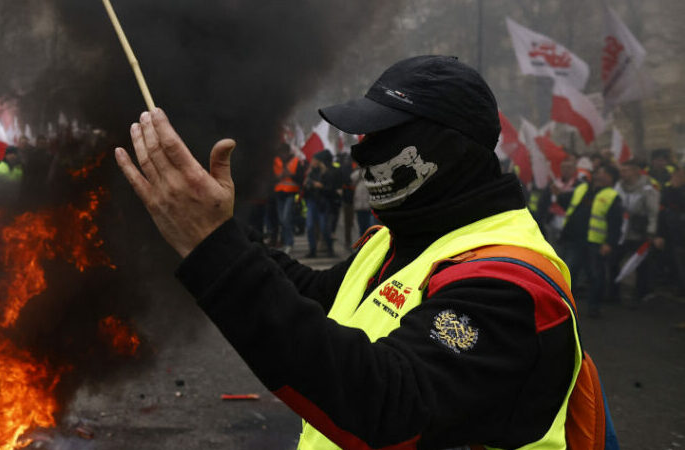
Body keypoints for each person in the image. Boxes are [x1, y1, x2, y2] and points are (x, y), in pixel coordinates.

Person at [114, 56, 592, 448]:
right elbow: (314, 296)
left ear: (445, 148)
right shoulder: (393, 239)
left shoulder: (512, 285)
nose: (360, 154)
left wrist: (215, 247)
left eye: (382, 136)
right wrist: (214, 231)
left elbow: (388, 406)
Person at [559, 165, 623, 317]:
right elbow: (567, 203)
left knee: (595, 275)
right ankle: (566, 305)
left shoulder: (612, 196)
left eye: (605, 173)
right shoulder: (582, 188)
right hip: (574, 239)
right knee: (569, 272)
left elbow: (615, 223)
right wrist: (559, 194)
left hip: (595, 243)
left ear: (612, 178)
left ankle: (594, 306)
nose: (600, 176)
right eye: (599, 172)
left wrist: (609, 243)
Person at [614, 158, 661, 303]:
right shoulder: (618, 186)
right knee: (614, 260)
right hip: (622, 232)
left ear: (635, 171)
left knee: (641, 264)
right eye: (621, 170)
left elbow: (653, 213)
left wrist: (651, 232)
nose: (622, 173)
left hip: (639, 232)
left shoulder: (648, 188)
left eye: (625, 170)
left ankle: (641, 293)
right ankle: (614, 291)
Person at [656, 167, 685, 296]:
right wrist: (660, 234)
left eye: (679, 175)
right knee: (676, 261)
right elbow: (662, 211)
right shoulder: (668, 190)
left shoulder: (678, 191)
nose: (675, 177)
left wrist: (678, 189)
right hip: (673, 233)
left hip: (680, 231)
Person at [272, 143, 304, 253]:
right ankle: (286, 242)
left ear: (287, 152)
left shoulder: (295, 161)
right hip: (279, 193)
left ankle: (289, 242)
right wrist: (278, 177)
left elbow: (300, 178)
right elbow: (272, 176)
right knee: (282, 220)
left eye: (283, 152)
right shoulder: (276, 161)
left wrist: (290, 175)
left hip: (291, 193)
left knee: (285, 219)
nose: (282, 155)